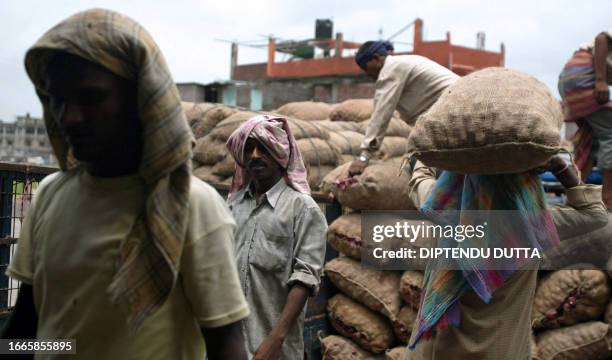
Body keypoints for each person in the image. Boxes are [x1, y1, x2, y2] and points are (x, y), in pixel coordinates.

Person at [1, 9, 249, 360]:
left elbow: (225, 345)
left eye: (91, 98)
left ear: (141, 100)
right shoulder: (50, 197)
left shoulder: (191, 205)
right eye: (57, 99)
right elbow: (32, 329)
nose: (68, 116)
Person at [404, 156, 607, 360]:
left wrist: (434, 152)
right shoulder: (531, 224)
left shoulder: (444, 207)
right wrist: (560, 167)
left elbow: (419, 178)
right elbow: (594, 214)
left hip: (436, 351)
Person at [225, 115, 327, 360]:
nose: (255, 155)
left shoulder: (303, 209)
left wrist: (275, 339)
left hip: (274, 348)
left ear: (280, 152)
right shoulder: (232, 206)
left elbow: (305, 276)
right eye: (248, 148)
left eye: (264, 147)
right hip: (232, 344)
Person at [348, 40, 459, 176]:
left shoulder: (390, 70)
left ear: (376, 59)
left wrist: (364, 157)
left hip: (454, 110)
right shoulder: (402, 62)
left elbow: (381, 115)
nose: (367, 73)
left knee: (422, 167)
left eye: (366, 68)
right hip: (452, 109)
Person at [558, 29, 612, 208]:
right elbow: (602, 38)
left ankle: (574, 199)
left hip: (570, 78)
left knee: (591, 141)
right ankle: (608, 198)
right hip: (583, 77)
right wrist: (600, 80)